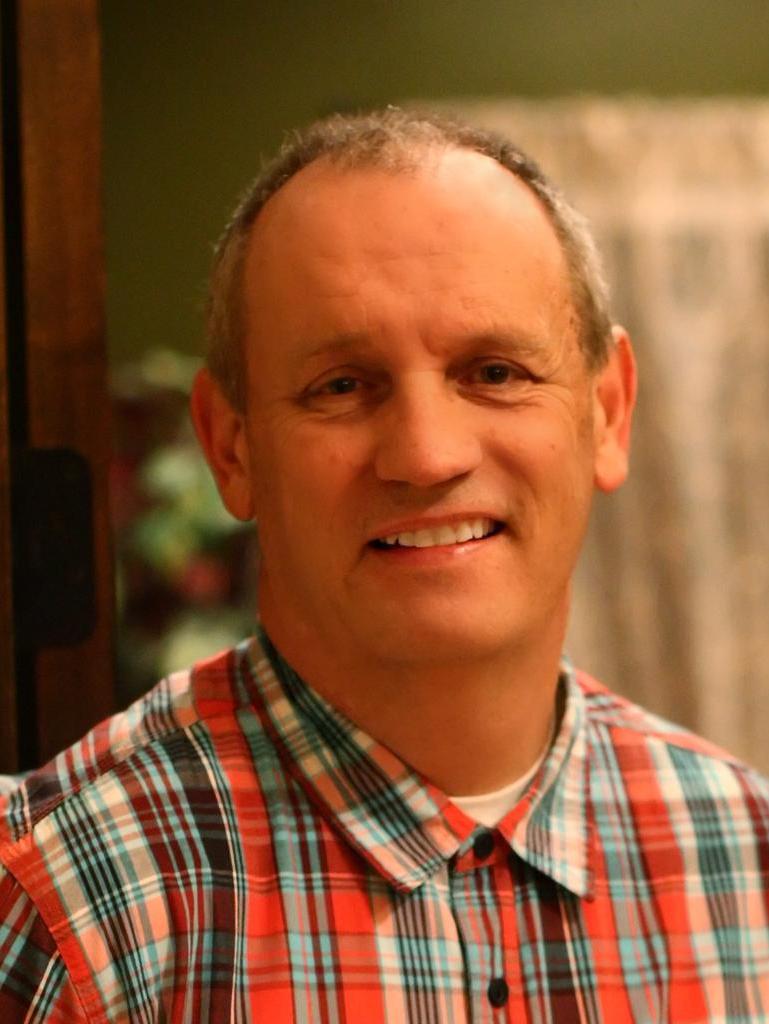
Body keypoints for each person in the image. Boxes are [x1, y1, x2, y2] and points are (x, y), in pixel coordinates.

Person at [1, 107, 767, 1023]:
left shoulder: (748, 856)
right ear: (231, 448)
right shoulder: (62, 900)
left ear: (607, 410)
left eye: (494, 372)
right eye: (342, 386)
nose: (426, 454)